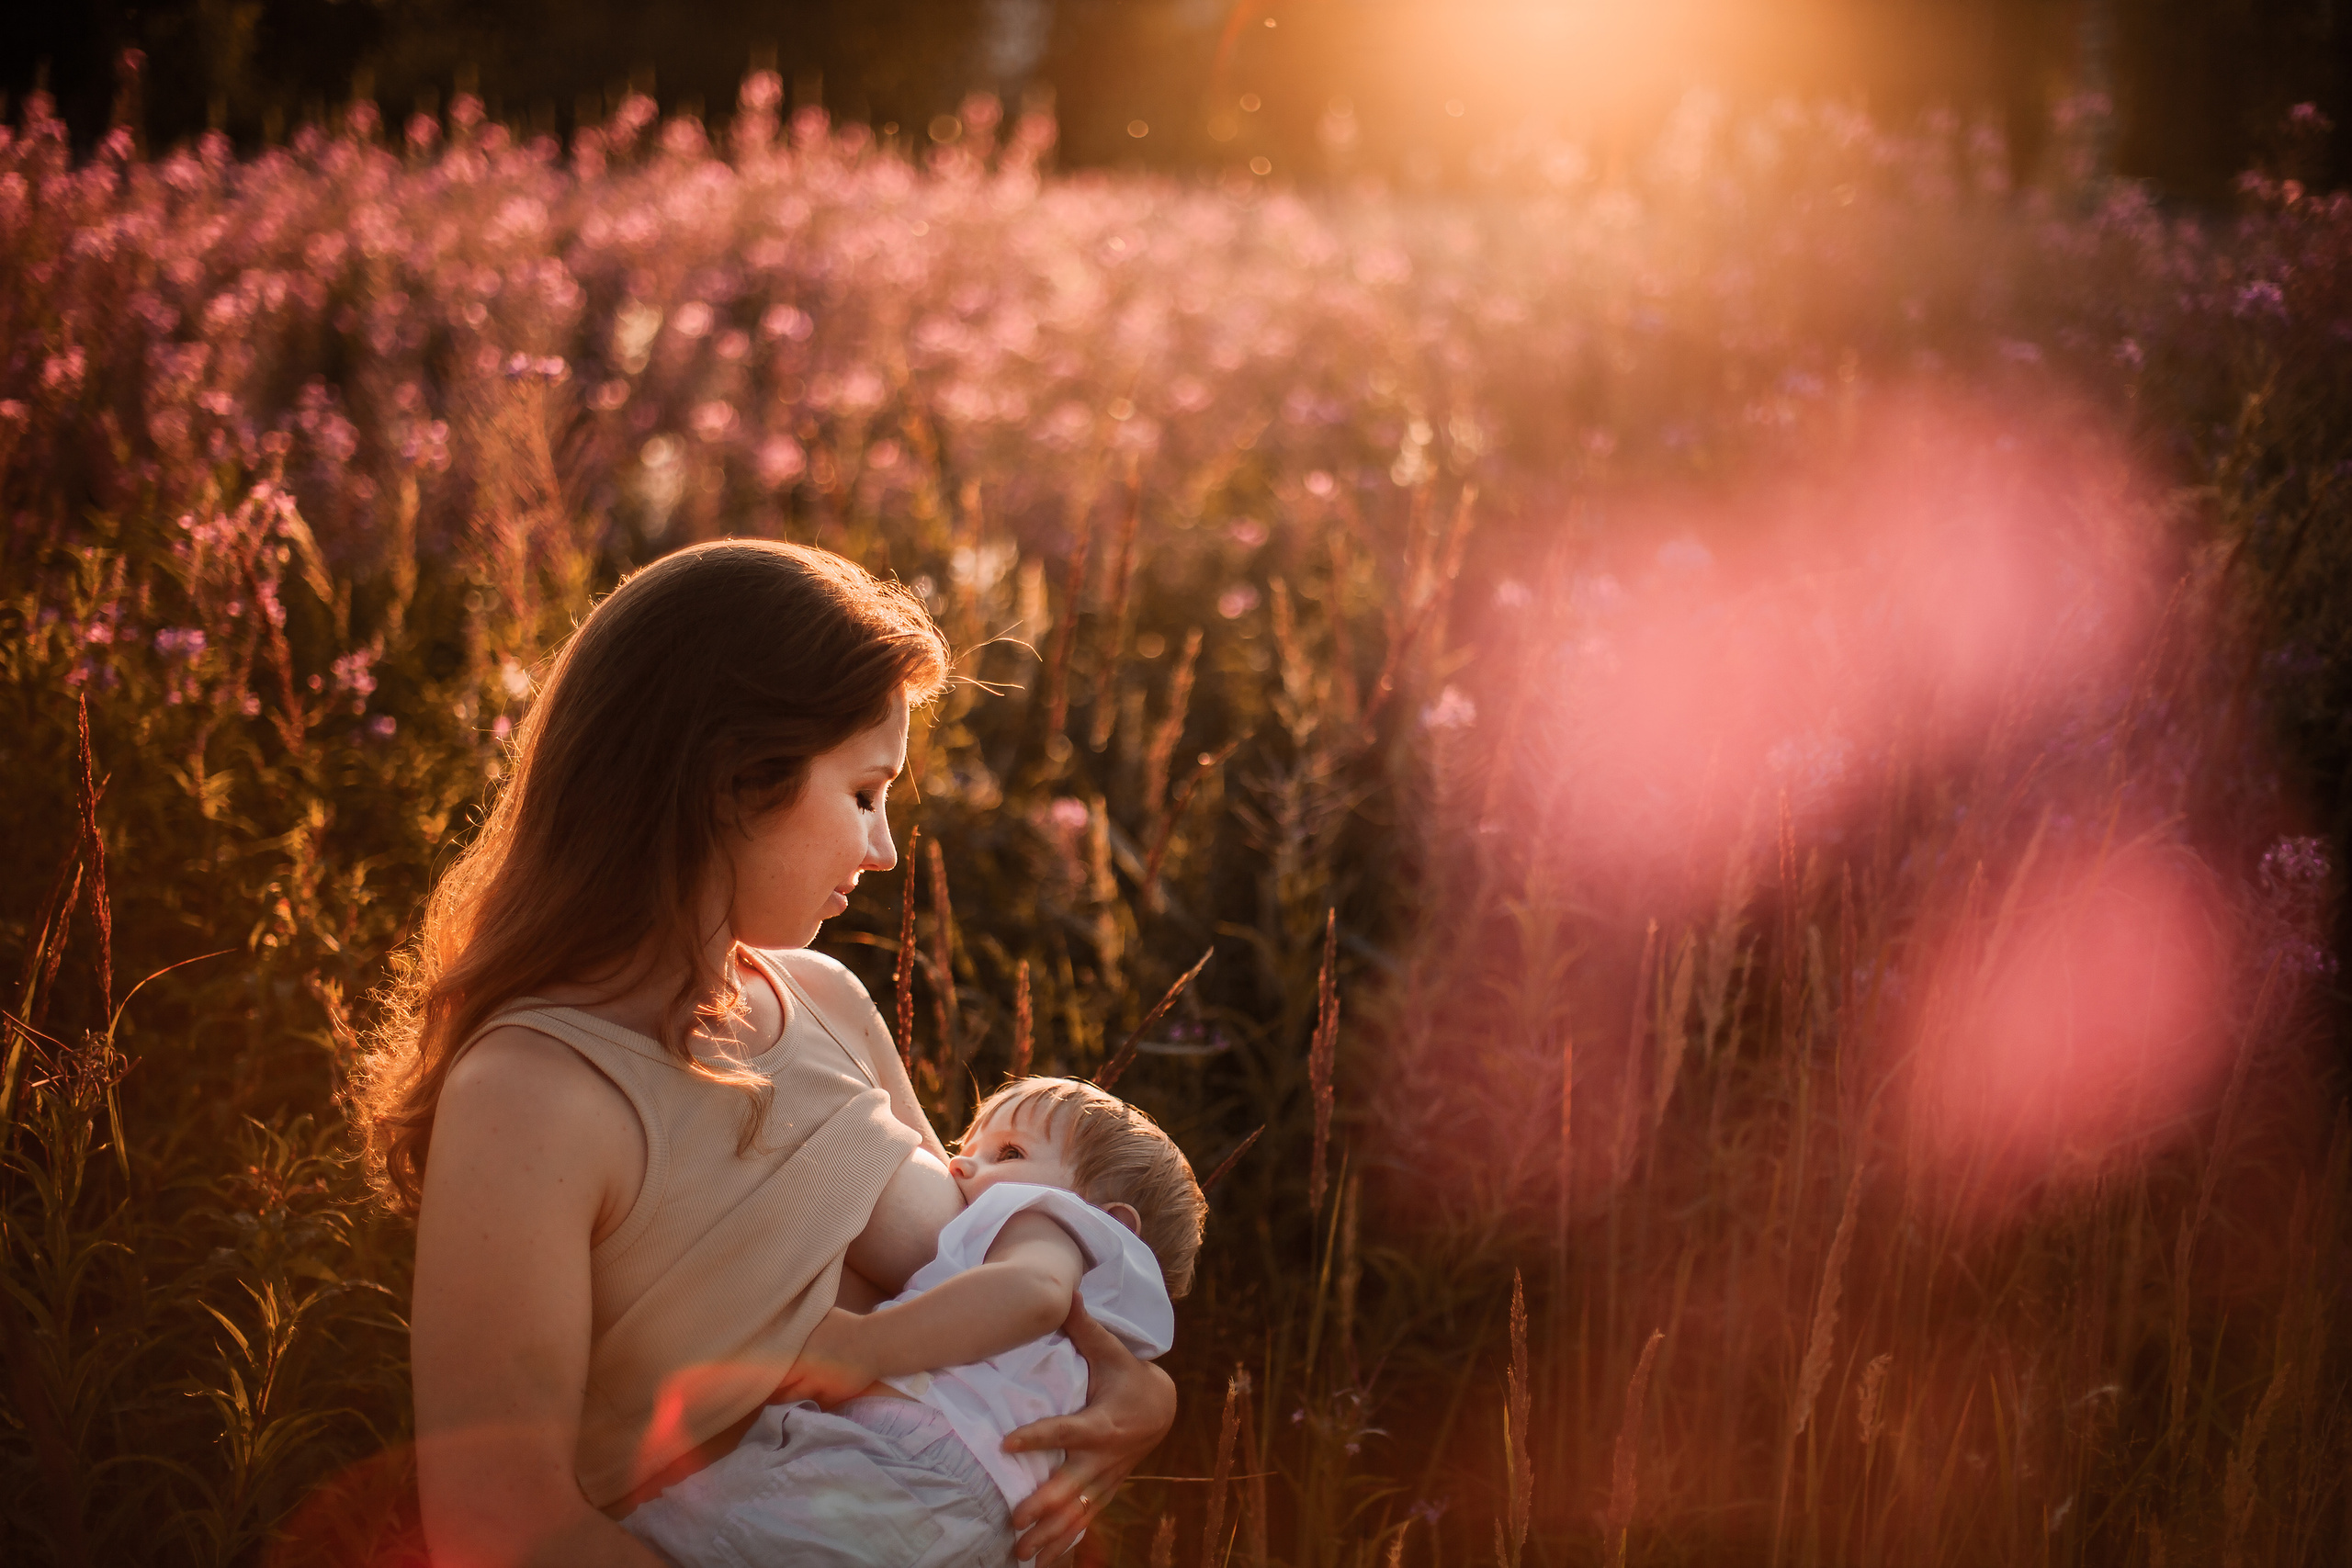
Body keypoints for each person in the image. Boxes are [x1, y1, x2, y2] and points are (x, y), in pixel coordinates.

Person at [355, 539, 1176, 1567]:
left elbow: (1000, 1257)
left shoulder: (825, 1001)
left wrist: (1137, 1391)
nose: (882, 850)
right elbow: (500, 1526)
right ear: (734, 782)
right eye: (866, 793)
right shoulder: (535, 1096)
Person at [622, 1077, 1207, 1567]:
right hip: (996, 1528)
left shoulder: (1051, 1225)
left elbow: (1035, 1293)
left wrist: (863, 1346)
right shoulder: (1113, 1341)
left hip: (905, 1468)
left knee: (683, 1544)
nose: (959, 1162)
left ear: (1113, 1226)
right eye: (967, 1144)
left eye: (1010, 1154)